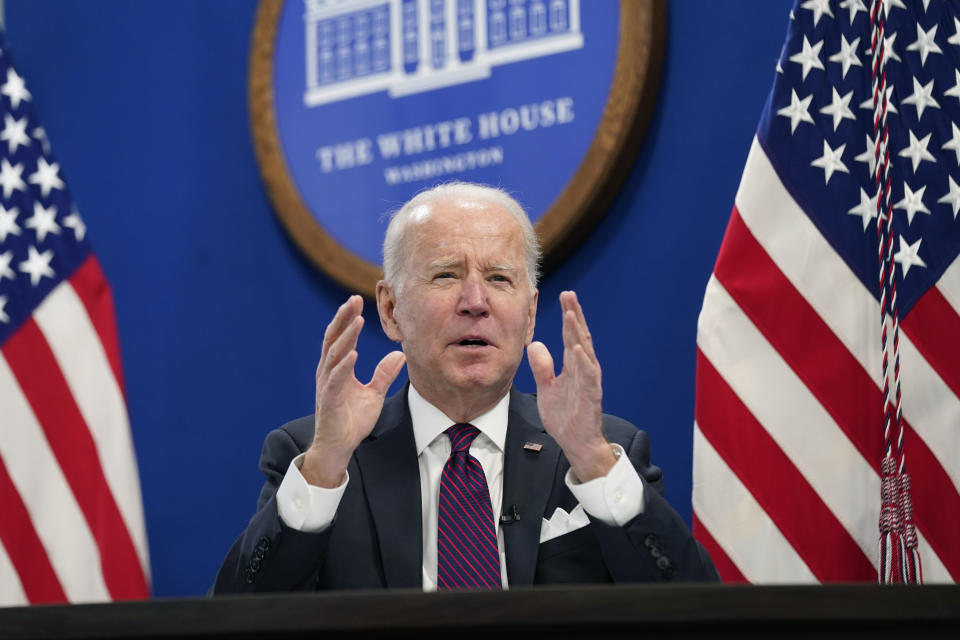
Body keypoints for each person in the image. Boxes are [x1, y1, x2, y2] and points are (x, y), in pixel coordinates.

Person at [213, 182, 717, 592]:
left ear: (530, 314)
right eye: (446, 275)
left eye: (499, 279)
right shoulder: (314, 455)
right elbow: (235, 621)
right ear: (390, 310)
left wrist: (593, 463)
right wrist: (324, 468)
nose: (475, 301)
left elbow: (699, 612)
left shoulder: (604, 451)